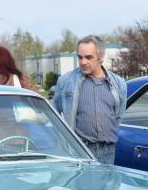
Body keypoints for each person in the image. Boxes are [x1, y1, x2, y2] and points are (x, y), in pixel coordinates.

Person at [53, 35, 127, 164]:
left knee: (106, 185)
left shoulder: (119, 84)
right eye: (80, 57)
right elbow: (55, 115)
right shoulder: (66, 82)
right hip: (80, 151)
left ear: (101, 57)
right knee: (81, 185)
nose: (83, 62)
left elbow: (118, 116)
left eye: (88, 57)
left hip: (108, 152)